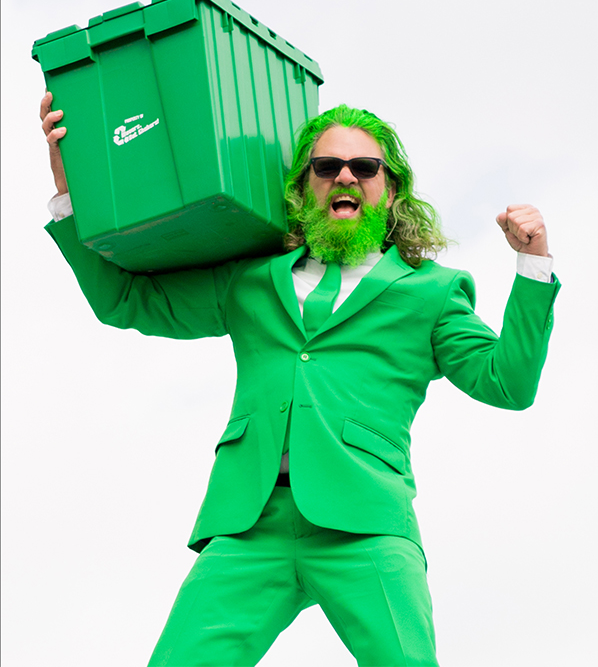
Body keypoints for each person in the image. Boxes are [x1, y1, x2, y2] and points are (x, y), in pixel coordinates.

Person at [40, 92, 559, 667]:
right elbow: (124, 299)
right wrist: (69, 192)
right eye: (326, 166)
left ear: (390, 191)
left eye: (365, 168)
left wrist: (533, 264)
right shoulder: (252, 281)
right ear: (303, 186)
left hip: (365, 525)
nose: (345, 176)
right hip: (250, 525)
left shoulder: (431, 292)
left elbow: (508, 383)